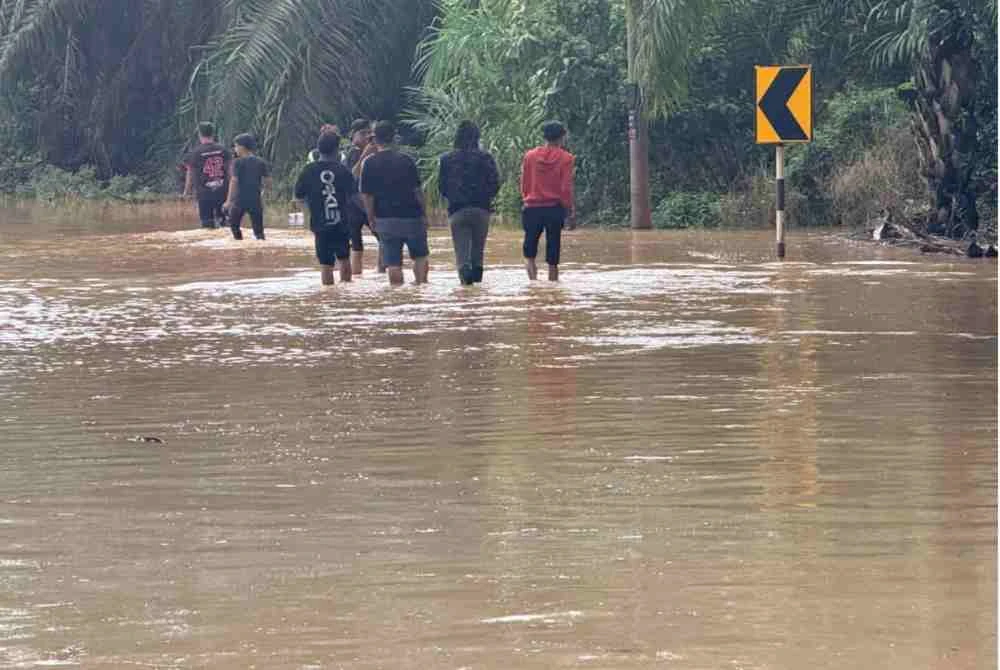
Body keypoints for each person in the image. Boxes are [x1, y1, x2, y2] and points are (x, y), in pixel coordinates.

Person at [359, 121, 429, 286]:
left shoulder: (368, 163)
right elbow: (417, 191)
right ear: (394, 138)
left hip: (385, 219)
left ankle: (397, 297)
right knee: (420, 257)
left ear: (375, 140)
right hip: (412, 217)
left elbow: (367, 196)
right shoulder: (407, 160)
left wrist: (371, 218)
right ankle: (421, 288)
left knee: (393, 264)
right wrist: (424, 214)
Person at [438, 121, 500, 285]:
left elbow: (442, 186)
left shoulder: (446, 159)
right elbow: (495, 183)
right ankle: (477, 292)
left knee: (462, 254)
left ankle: (466, 289)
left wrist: (453, 198)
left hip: (457, 210)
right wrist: (486, 198)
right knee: (478, 253)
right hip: (481, 210)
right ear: (477, 137)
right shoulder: (486, 157)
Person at [294, 131, 356, 286]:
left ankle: (328, 296)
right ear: (336, 150)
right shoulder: (342, 170)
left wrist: (308, 214)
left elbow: (298, 198)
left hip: (320, 225)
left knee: (326, 264)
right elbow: (355, 196)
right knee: (344, 258)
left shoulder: (308, 170)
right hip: (341, 223)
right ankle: (346, 292)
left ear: (318, 149)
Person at [520, 121, 576, 281]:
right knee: (553, 254)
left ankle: (533, 285)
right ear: (562, 137)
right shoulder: (566, 158)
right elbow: (565, 188)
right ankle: (552, 288)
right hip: (554, 209)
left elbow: (524, 183)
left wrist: (527, 198)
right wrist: (569, 209)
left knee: (529, 252)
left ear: (544, 136)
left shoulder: (529, 156)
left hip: (532, 208)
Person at [341, 119, 379, 275]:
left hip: (369, 203)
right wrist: (365, 155)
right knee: (356, 245)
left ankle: (381, 274)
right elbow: (352, 176)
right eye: (362, 133)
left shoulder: (377, 151)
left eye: (369, 133)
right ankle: (356, 277)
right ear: (353, 135)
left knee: (382, 239)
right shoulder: (351, 153)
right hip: (353, 205)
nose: (366, 137)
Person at [183, 122, 231, 229]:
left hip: (204, 194)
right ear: (213, 133)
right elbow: (230, 172)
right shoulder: (223, 150)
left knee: (207, 226)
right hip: (223, 192)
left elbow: (189, 174)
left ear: (200, 134)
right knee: (226, 224)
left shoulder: (195, 153)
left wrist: (186, 192)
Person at [225, 134, 271, 241]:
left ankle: (239, 243)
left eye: (235, 146)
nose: (235, 149)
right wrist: (264, 193)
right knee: (259, 232)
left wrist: (228, 201)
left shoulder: (238, 162)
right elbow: (268, 181)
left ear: (242, 147)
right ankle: (260, 249)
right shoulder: (261, 162)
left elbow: (234, 181)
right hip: (255, 200)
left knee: (234, 225)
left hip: (240, 200)